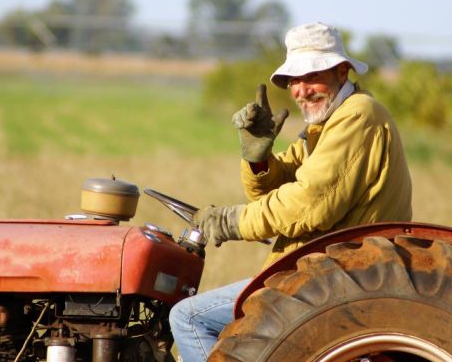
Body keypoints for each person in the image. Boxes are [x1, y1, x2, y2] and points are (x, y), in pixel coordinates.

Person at [169, 22, 412, 362]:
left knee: (190, 318)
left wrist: (229, 221)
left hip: (339, 275)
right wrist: (257, 160)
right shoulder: (325, 125)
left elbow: (308, 203)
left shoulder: (358, 116)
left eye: (310, 76)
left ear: (342, 71)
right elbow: (280, 184)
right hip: (324, 270)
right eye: (293, 80)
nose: (300, 90)